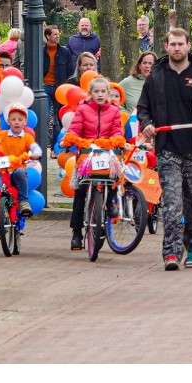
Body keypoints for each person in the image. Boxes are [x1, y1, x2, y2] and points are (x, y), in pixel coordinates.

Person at [136, 28, 192, 270]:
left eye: (181, 44)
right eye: (172, 44)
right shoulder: (156, 76)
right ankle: (171, 253)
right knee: (172, 203)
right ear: (165, 47)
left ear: (188, 45)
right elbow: (142, 109)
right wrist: (146, 125)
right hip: (168, 150)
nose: (177, 48)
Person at [63, 76, 126, 251]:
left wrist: (117, 141)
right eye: (96, 92)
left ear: (107, 93)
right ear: (90, 93)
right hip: (87, 154)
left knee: (115, 176)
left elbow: (116, 130)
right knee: (81, 190)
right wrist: (70, 140)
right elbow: (75, 128)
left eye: (103, 91)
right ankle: (77, 233)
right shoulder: (82, 109)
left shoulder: (114, 111)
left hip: (106, 153)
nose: (100, 95)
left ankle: (110, 203)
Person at [0, 104, 41, 237]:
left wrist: (36, 154)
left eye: (20, 119)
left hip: (17, 169)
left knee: (21, 173)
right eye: (13, 119)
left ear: (25, 122)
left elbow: (35, 148)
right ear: (9, 121)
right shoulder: (2, 135)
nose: (17, 122)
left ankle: (24, 201)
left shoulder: (27, 138)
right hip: (2, 171)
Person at [41, 25, 74, 143]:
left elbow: (70, 71)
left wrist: (66, 85)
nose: (58, 36)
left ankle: (55, 145)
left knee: (57, 117)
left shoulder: (65, 52)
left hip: (59, 88)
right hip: (44, 87)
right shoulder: (41, 52)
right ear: (48, 36)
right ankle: (43, 143)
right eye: (55, 34)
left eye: (58, 33)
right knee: (44, 116)